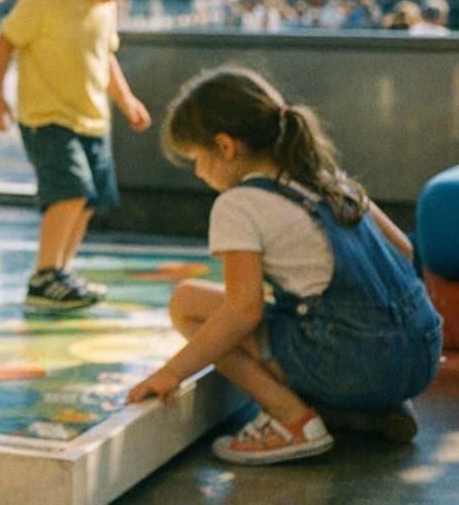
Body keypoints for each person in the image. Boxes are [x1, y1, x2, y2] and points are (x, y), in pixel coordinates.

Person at [127, 67, 442, 465]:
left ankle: (292, 420)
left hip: (353, 367)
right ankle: (370, 411)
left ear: (224, 146)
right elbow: (403, 251)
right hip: (421, 357)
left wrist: (172, 372)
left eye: (197, 160)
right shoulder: (330, 180)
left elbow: (242, 310)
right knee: (306, 320)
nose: (199, 173)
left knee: (188, 302)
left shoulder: (238, 205)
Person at [0, 0, 155, 310]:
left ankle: (61, 271)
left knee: (89, 200)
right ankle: (45, 275)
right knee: (70, 192)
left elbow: (105, 58)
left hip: (93, 121)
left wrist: (126, 100)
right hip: (48, 119)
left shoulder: (104, 8)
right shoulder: (43, 0)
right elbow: (5, 42)